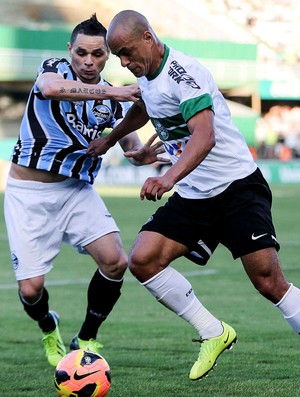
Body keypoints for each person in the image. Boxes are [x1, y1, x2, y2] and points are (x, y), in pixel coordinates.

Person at [87, 9, 300, 381]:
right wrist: (111, 138)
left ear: (148, 38)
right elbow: (144, 106)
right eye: (117, 55)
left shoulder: (184, 73)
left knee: (268, 282)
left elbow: (205, 136)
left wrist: (167, 178)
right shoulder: (148, 75)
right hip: (195, 195)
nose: (123, 62)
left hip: (236, 188)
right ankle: (213, 332)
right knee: (142, 259)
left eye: (127, 52)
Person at [4, 13, 167, 367]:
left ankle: (87, 337)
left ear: (107, 54)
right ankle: (49, 326)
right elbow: (49, 90)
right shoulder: (54, 70)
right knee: (30, 290)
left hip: (76, 191)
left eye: (97, 55)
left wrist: (139, 156)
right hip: (28, 195)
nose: (88, 62)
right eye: (81, 53)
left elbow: (128, 146)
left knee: (116, 261)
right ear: (70, 50)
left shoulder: (111, 100)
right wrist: (115, 90)